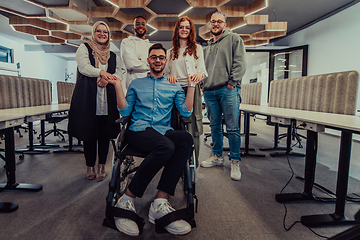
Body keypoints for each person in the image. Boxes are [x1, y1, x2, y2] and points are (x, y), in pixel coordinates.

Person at [107, 43, 199, 236]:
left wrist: (191, 86)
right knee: (166, 147)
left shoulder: (173, 85)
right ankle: (127, 199)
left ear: (166, 61)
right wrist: (117, 85)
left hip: (162, 131)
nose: (158, 60)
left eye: (161, 57)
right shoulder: (137, 84)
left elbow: (185, 111)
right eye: (154, 57)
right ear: (148, 60)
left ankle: (160, 201)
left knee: (184, 138)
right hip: (139, 131)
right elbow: (124, 111)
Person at [68, 21, 121, 181]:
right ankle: (89, 164)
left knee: (104, 135)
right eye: (98, 31)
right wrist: (102, 73)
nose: (102, 34)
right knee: (88, 134)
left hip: (107, 100)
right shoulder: (84, 48)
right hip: (88, 98)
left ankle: (101, 165)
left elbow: (118, 72)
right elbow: (84, 67)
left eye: (105, 31)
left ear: (108, 35)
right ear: (93, 32)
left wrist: (107, 78)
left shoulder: (113, 55)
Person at [200, 11, 247, 181]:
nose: (216, 24)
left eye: (219, 21)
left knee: (232, 127)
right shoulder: (207, 46)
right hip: (210, 91)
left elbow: (240, 63)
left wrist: (232, 83)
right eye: (213, 21)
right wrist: (203, 86)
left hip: (228, 90)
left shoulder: (234, 39)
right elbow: (203, 69)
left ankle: (235, 160)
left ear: (225, 24)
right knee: (214, 127)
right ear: (210, 24)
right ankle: (217, 156)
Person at [165, 16, 207, 165]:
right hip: (175, 91)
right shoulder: (171, 52)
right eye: (181, 27)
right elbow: (166, 73)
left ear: (191, 30)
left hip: (192, 89)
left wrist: (198, 75)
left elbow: (203, 71)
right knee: (176, 124)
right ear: (177, 30)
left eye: (187, 27)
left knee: (193, 124)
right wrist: (170, 77)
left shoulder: (197, 49)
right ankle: (177, 162)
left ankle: (192, 163)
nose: (184, 29)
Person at [120, 16, 152, 88]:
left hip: (149, 85)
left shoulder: (151, 46)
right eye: (137, 24)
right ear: (133, 27)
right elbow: (131, 64)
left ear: (146, 27)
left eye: (143, 24)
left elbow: (157, 65)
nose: (140, 26)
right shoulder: (127, 42)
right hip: (133, 85)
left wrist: (139, 61)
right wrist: (149, 65)